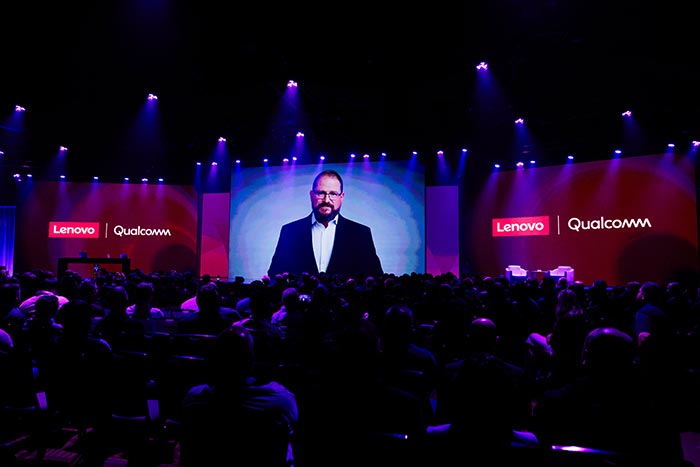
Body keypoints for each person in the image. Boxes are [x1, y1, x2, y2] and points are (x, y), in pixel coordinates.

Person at [267, 169, 383, 279]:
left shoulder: (361, 234)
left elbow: (375, 276)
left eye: (333, 194)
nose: (327, 200)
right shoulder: (290, 231)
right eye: (321, 193)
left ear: (341, 197)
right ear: (312, 195)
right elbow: (275, 274)